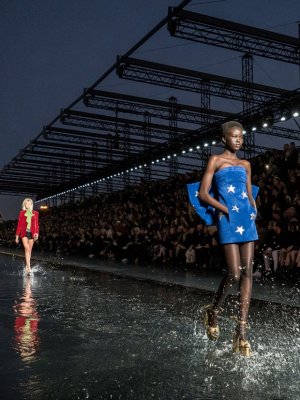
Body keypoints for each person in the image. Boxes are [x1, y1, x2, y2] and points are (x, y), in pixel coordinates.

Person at [190, 121, 258, 356]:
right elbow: (202, 194)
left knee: (248, 271)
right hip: (228, 219)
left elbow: (249, 193)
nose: (239, 140)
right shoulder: (215, 161)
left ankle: (241, 332)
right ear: (224, 140)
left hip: (246, 219)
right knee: (235, 273)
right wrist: (226, 210)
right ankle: (214, 311)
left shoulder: (246, 164)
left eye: (241, 136)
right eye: (234, 136)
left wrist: (253, 208)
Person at [15, 198, 39, 275]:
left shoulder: (36, 213)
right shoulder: (22, 213)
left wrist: (37, 233)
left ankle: (27, 267)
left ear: (32, 204)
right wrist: (17, 236)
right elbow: (19, 225)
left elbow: (36, 225)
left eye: (29, 203)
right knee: (27, 248)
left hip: (32, 233)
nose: (28, 205)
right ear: (24, 205)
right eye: (26, 203)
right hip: (24, 233)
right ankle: (29, 268)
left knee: (29, 251)